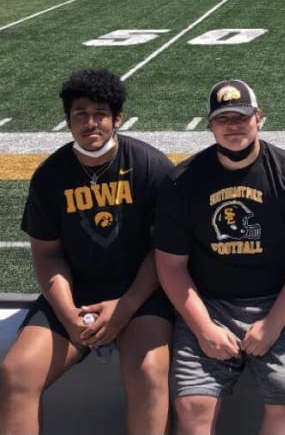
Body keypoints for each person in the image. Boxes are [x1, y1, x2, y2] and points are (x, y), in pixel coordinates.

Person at [0, 69, 174, 435]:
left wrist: (124, 307)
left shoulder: (150, 167)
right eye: (80, 113)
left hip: (140, 294)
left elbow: (165, 252)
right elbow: (47, 254)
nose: (90, 122)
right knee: (15, 375)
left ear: (118, 119)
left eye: (100, 113)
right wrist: (67, 315)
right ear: (67, 120)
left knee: (148, 375)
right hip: (75, 294)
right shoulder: (51, 175)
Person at [154, 79, 285, 435]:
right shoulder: (182, 181)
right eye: (223, 118)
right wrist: (203, 329)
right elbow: (171, 265)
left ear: (260, 118)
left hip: (279, 303)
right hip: (209, 303)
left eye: (242, 117)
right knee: (192, 406)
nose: (233, 126)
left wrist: (275, 322)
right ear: (210, 124)